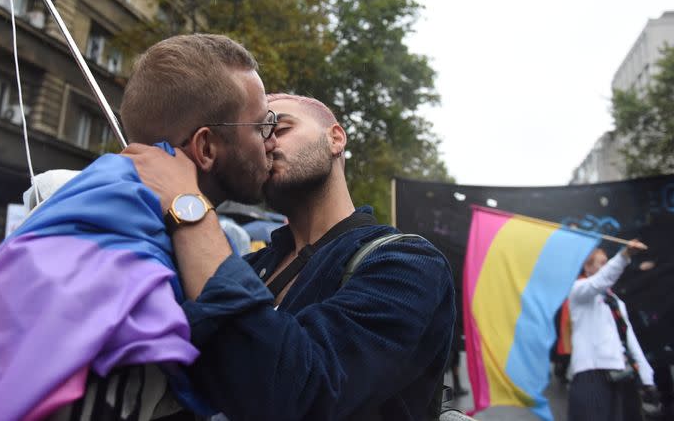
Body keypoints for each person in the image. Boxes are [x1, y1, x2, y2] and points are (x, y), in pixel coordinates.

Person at [0, 34, 278, 421]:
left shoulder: (89, 211)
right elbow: (262, 372)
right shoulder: (139, 271)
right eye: (263, 124)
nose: (272, 141)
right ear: (206, 148)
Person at [126, 93, 456, 420]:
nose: (264, 144)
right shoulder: (252, 267)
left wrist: (187, 203)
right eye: (257, 135)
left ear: (335, 138)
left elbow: (303, 393)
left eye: (279, 128)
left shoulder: (406, 262)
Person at [567, 242, 656, 421]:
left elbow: (630, 339)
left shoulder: (615, 301)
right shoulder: (578, 291)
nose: (606, 267)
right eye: (601, 263)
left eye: (607, 262)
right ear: (587, 267)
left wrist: (647, 378)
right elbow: (601, 281)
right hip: (590, 373)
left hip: (618, 374)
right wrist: (624, 256)